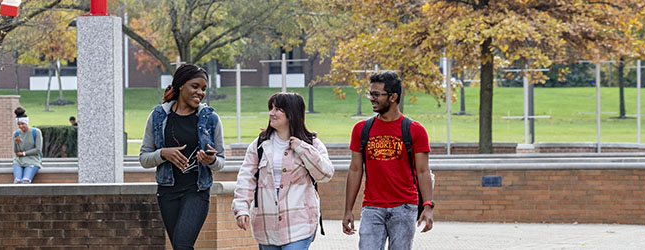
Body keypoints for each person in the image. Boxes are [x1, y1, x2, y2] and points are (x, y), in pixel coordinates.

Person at [343, 72, 434, 250]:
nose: (372, 98)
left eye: (377, 94)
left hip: (405, 207)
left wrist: (428, 207)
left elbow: (423, 171)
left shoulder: (415, 130)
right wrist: (348, 210)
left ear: (393, 97)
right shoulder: (361, 129)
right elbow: (355, 170)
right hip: (372, 208)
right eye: (370, 94)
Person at [139, 64, 225, 250]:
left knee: (183, 246)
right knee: (179, 246)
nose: (200, 92)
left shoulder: (210, 119)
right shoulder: (158, 116)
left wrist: (211, 161)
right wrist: (163, 153)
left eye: (203, 88)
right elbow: (144, 158)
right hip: (167, 192)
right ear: (180, 86)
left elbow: (221, 162)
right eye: (195, 86)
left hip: (197, 191)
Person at [232, 92, 334, 249]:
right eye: (271, 108)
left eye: (277, 109)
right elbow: (246, 178)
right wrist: (241, 209)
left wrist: (302, 149)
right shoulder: (259, 144)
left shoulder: (311, 143)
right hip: (267, 224)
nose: (271, 113)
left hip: (300, 222)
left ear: (291, 113)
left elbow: (325, 174)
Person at [12, 107, 43, 184]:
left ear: (26, 122)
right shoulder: (16, 134)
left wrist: (24, 153)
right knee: (17, 181)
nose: (20, 126)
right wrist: (16, 143)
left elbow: (38, 149)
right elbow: (16, 152)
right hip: (19, 161)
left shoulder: (36, 132)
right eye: (18, 124)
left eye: (22, 124)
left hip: (32, 160)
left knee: (26, 181)